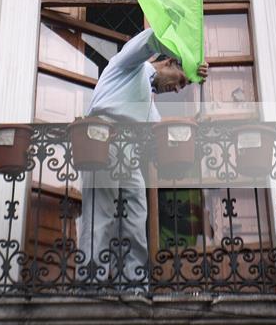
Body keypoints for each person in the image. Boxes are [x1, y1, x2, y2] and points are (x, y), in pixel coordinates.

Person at [76, 27, 207, 290]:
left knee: (136, 216)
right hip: (103, 140)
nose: (177, 89)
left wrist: (194, 126)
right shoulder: (130, 65)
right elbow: (149, 39)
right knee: (100, 214)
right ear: (168, 62)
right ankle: (90, 284)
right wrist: (188, 54)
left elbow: (160, 135)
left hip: (129, 153)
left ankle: (133, 285)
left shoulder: (149, 102)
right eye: (181, 81)